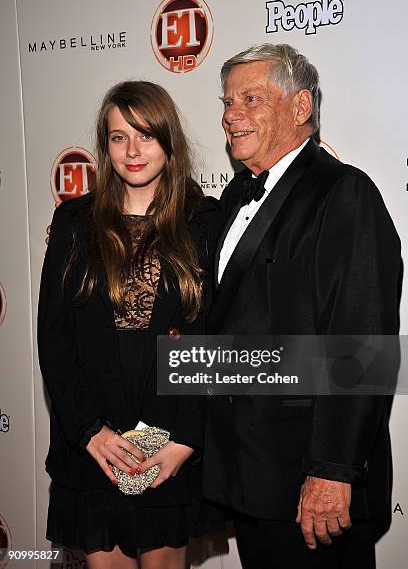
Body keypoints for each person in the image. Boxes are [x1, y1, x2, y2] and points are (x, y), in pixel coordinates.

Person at [203, 44, 402, 568]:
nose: (230, 113)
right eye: (227, 101)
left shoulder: (344, 192)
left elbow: (364, 344)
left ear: (300, 107)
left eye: (251, 98)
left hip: (309, 486)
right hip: (247, 477)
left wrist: (334, 470)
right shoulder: (231, 201)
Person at [38, 80, 219, 569]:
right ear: (105, 146)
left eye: (146, 135)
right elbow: (55, 340)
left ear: (169, 141)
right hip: (97, 444)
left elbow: (215, 338)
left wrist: (186, 439)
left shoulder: (205, 222)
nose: (133, 150)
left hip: (171, 439)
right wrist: (88, 431)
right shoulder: (75, 222)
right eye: (119, 137)